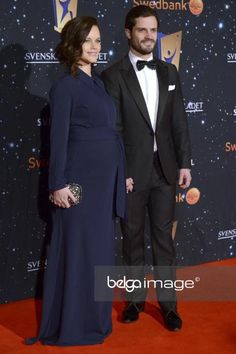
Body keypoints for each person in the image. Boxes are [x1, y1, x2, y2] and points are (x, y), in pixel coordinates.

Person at [26, 16, 126, 346]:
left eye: (98, 40)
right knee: (78, 252)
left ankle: (95, 320)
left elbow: (108, 136)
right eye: (88, 41)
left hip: (102, 187)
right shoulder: (65, 86)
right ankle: (71, 325)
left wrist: (118, 175)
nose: (95, 47)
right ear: (73, 44)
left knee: (97, 254)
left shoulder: (97, 83)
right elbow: (58, 138)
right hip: (78, 186)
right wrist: (57, 184)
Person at [101, 5, 191, 331]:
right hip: (131, 174)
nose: (149, 36)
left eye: (153, 30)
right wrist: (119, 170)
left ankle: (169, 307)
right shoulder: (112, 76)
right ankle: (135, 301)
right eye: (142, 30)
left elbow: (178, 122)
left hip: (165, 170)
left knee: (164, 242)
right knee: (132, 240)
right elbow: (114, 130)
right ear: (128, 32)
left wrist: (184, 162)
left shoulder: (169, 73)